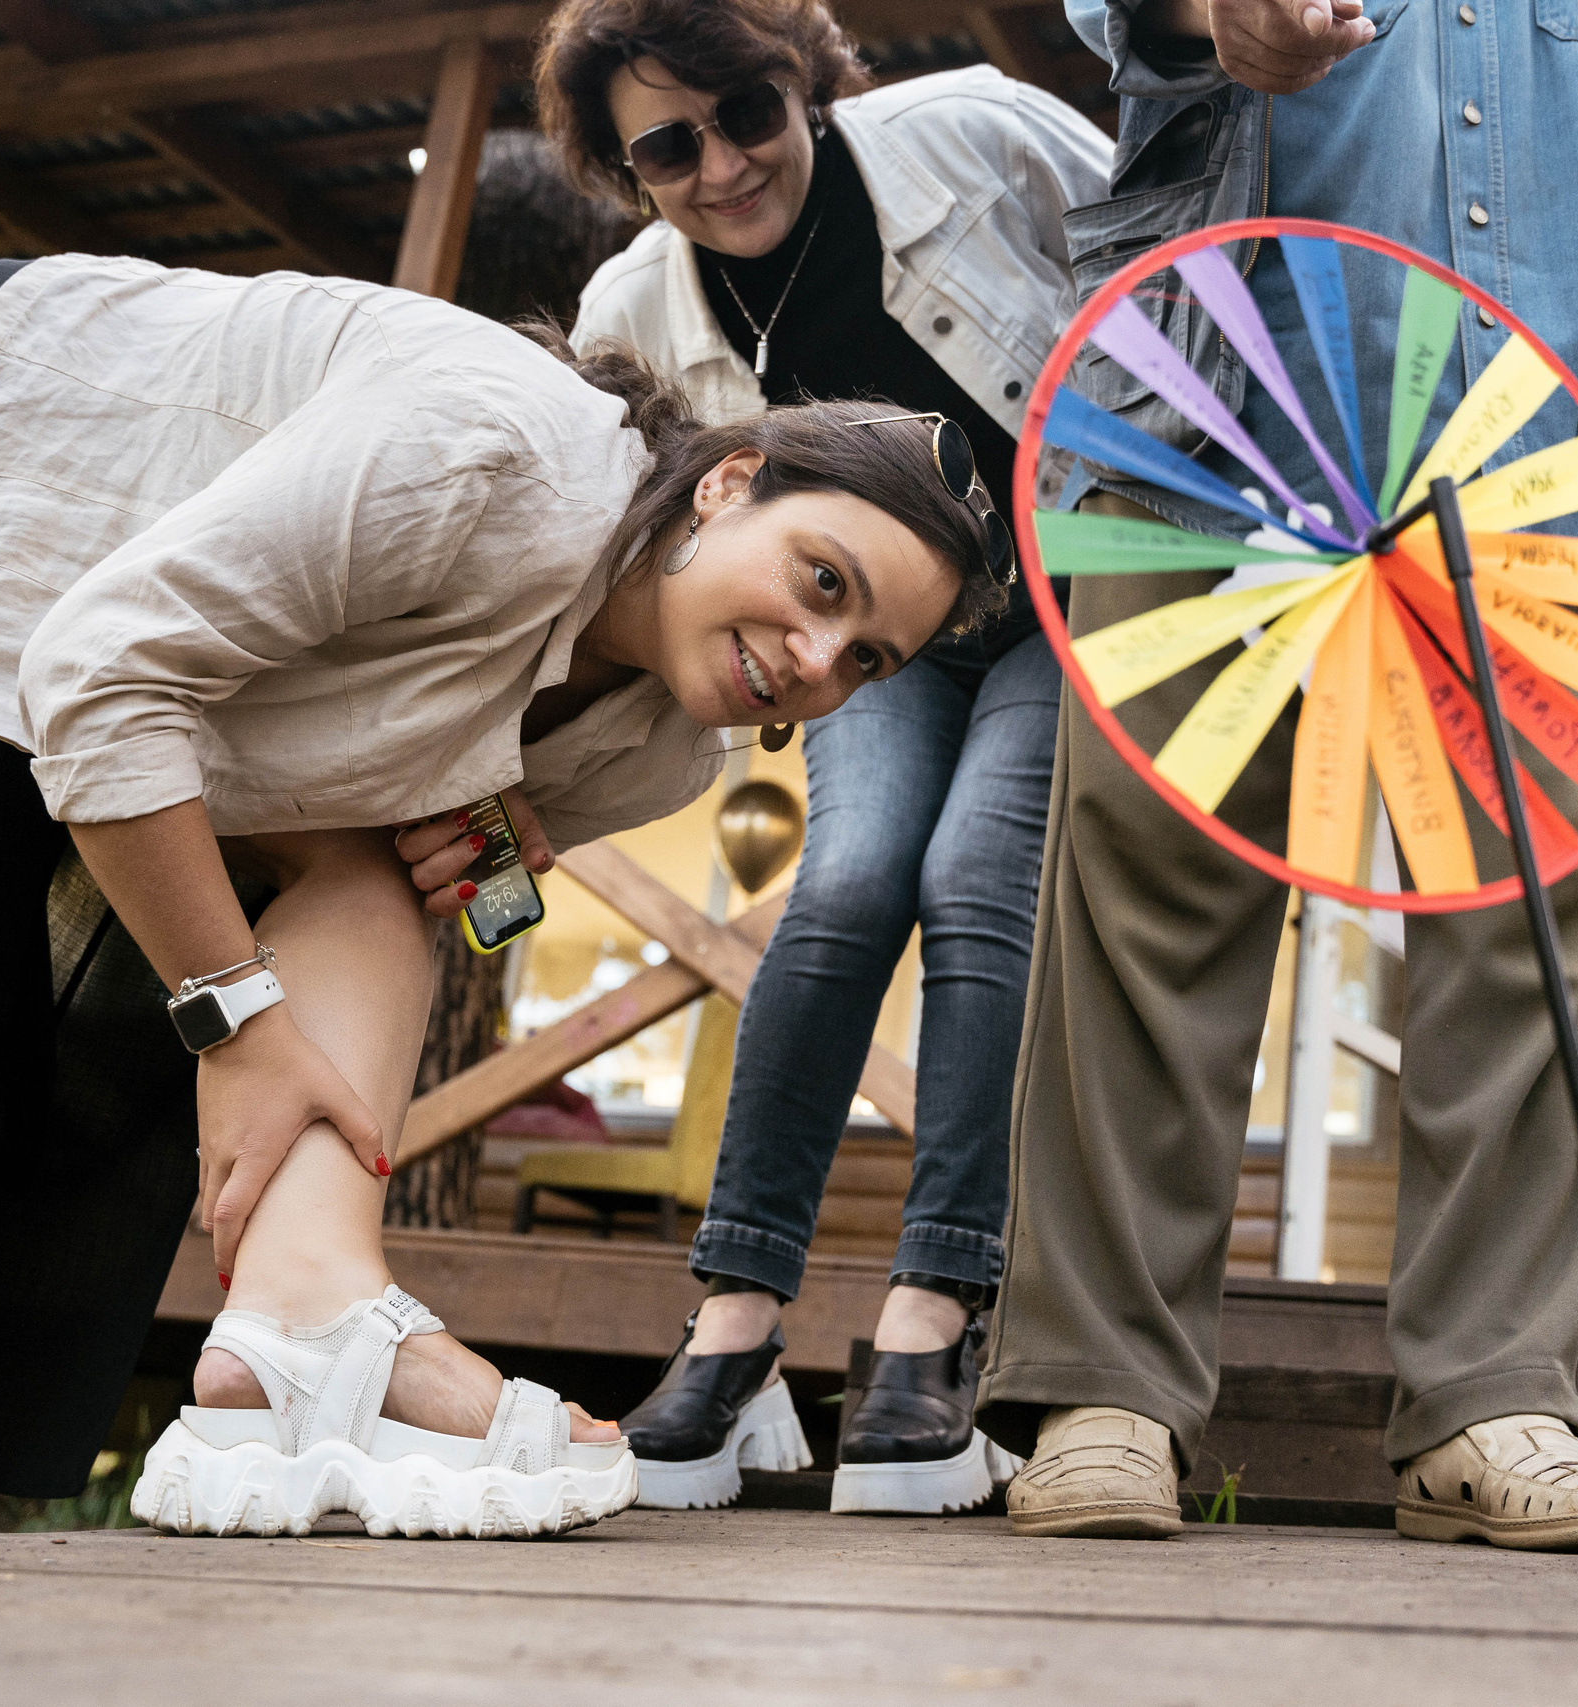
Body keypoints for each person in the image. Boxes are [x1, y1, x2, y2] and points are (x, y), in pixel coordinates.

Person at [0, 254, 1001, 1542]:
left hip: (148, 654)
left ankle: (307, 1316)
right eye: (823, 581)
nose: (818, 659)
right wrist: (234, 1013)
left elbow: (412, 853)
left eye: (865, 657)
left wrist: (473, 847)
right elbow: (104, 674)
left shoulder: (666, 749)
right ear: (730, 481)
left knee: (358, 873)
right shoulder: (488, 453)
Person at [979, 0, 1578, 1546]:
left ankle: (1496, 1401)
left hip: (1539, 444)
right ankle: (1102, 1396)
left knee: (1533, 922)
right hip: (1213, 418)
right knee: (1150, 887)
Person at [537, 0, 1109, 1513]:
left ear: (801, 84)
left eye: (747, 113)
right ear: (622, 165)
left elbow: (1170, 250)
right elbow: (628, 553)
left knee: (981, 872)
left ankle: (934, 1313)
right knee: (847, 880)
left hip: (1081, 582)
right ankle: (733, 1328)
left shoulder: (973, 131)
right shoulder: (629, 310)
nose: (722, 165)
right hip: (866, 647)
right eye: (668, 145)